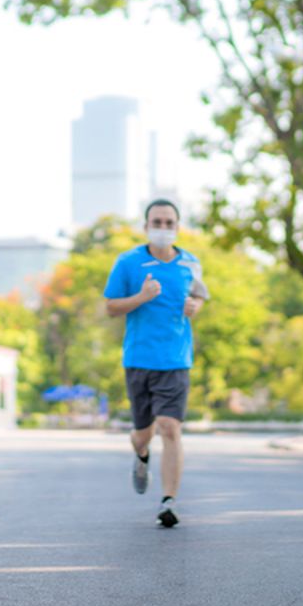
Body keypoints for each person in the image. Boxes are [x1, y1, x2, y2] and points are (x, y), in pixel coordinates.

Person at [104, 199, 209, 527]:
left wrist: (195, 307)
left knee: (170, 427)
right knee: (143, 433)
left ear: (177, 227)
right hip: (138, 359)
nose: (163, 228)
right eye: (157, 222)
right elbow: (110, 307)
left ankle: (168, 501)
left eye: (168, 223)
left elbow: (199, 295)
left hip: (176, 359)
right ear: (147, 225)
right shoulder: (128, 263)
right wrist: (141, 298)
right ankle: (140, 454)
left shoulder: (190, 263)